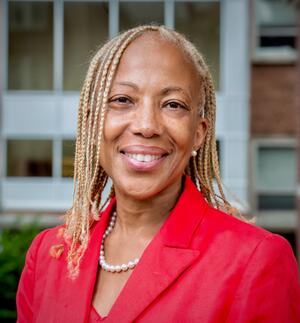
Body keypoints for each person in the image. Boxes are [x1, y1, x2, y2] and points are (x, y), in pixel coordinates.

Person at [17, 25, 300, 323]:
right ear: (91, 121)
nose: (147, 125)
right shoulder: (50, 255)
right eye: (122, 100)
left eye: (173, 105)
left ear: (198, 133)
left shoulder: (254, 261)